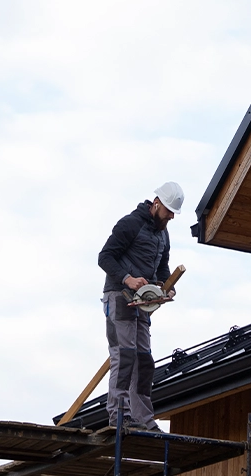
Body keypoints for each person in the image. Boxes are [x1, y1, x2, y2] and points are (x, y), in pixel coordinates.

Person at [97, 181, 183, 432]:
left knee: (144, 360)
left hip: (143, 303)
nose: (171, 216)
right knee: (124, 355)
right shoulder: (129, 224)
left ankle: (143, 418)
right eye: (168, 211)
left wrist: (166, 286)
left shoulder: (163, 234)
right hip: (119, 296)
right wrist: (128, 279)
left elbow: (163, 269)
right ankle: (120, 415)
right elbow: (105, 257)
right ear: (156, 204)